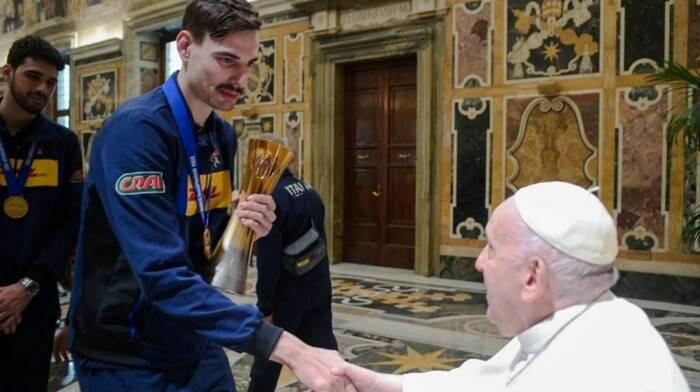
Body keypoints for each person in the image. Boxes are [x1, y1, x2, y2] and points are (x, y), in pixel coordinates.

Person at [67, 1, 346, 391]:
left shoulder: (221, 136)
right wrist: (284, 345)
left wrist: (245, 226)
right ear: (184, 46)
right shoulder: (136, 133)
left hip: (192, 333)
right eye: (227, 60)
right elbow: (160, 272)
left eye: (249, 64)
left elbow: (206, 251)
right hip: (125, 350)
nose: (242, 78)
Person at [333, 181, 690, 392]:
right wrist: (386, 386)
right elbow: (485, 383)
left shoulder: (597, 371)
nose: (479, 261)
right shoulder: (593, 321)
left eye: (491, 247)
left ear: (532, 277)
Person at [0, 35, 83, 392]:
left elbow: (68, 223)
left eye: (51, 82)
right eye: (32, 76)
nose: (42, 89)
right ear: (7, 72)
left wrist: (25, 288)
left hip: (35, 300)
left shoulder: (63, 144)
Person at [249, 134, 337, 391]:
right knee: (328, 359)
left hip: (286, 296)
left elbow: (268, 259)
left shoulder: (269, 199)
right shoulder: (309, 191)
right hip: (318, 287)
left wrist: (265, 306)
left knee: (266, 364)